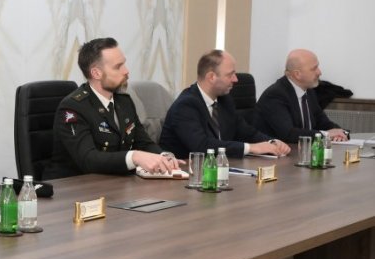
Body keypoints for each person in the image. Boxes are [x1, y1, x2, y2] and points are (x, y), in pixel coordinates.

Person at [42, 37, 178, 179]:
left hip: (112, 182)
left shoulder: (124, 101)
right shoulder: (72, 108)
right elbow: (89, 159)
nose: (126, 71)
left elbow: (143, 142)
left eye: (124, 64)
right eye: (118, 67)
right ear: (96, 73)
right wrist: (134, 157)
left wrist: (164, 156)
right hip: (72, 186)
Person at [159, 49, 291, 158]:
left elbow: (247, 132)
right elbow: (202, 146)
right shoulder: (186, 105)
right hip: (186, 174)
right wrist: (251, 148)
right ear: (211, 77)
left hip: (220, 169)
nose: (236, 79)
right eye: (230, 74)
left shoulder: (224, 100)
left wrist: (271, 142)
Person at [254, 49, 348, 143]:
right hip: (276, 150)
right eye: (314, 69)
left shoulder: (308, 91)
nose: (319, 72)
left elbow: (324, 124)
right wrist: (326, 135)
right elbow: (289, 134)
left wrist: (342, 133)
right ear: (297, 74)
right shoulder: (275, 95)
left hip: (301, 149)